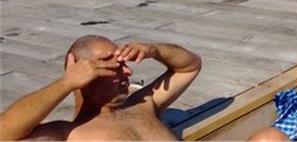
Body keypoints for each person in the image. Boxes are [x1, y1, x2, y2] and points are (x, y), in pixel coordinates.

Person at [0, 35, 201, 140]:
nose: (128, 71)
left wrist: (154, 50)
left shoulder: (144, 106)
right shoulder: (68, 134)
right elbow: (4, 134)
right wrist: (66, 83)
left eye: (124, 64)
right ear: (82, 76)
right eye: (114, 67)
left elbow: (190, 66)